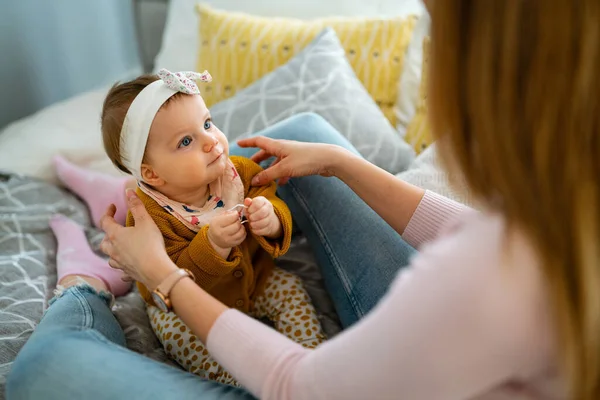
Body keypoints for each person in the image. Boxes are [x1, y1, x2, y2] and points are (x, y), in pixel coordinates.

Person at [7, 0, 599, 399]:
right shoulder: (550, 226)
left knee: (44, 367)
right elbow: (475, 239)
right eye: (188, 140)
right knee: (311, 134)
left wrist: (158, 270)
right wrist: (340, 163)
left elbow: (298, 384)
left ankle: (79, 285)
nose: (215, 145)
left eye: (443, 39)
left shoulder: (489, 280)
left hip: (305, 368)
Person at [98, 68, 324, 384]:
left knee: (291, 290)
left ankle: (313, 369)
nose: (211, 141)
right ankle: (242, 383)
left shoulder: (237, 174)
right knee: (178, 337)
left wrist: (270, 217)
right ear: (152, 175)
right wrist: (213, 245)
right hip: (184, 313)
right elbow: (166, 272)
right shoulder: (151, 216)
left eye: (207, 123)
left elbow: (270, 198)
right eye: (186, 141)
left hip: (254, 282)